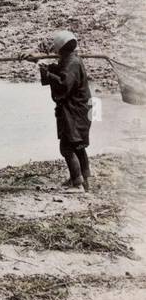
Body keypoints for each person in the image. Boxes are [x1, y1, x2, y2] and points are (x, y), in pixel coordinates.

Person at [38, 30, 92, 192]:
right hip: (80, 109)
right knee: (78, 144)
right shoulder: (72, 60)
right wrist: (45, 67)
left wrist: (46, 73)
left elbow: (63, 84)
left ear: (61, 48)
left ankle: (77, 184)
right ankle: (84, 179)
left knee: (67, 147)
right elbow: (60, 70)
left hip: (74, 111)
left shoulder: (72, 63)